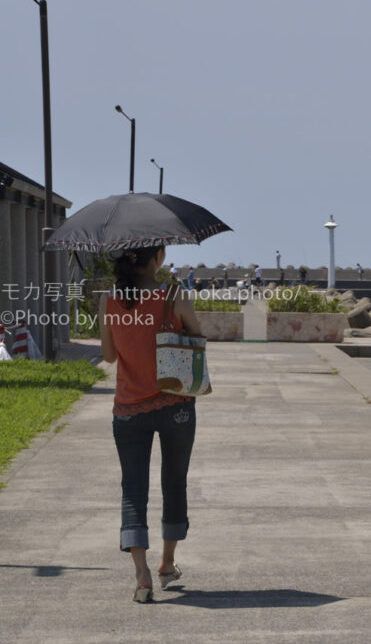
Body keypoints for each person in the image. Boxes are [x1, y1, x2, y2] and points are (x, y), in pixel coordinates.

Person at [99, 245, 203, 603]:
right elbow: (197, 338)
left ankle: (141, 575)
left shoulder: (109, 299)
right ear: (157, 257)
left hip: (128, 408)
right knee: (174, 482)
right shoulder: (174, 295)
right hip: (176, 404)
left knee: (133, 488)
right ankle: (167, 564)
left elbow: (109, 356)